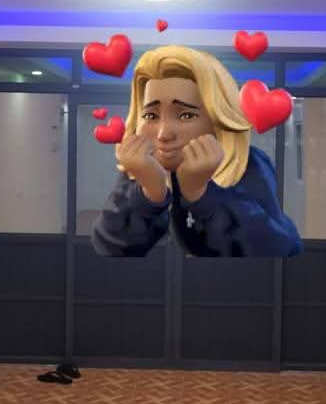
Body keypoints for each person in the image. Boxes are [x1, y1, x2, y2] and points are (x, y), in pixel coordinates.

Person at [91, 45, 303, 258]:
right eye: (151, 116)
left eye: (186, 115)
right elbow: (109, 246)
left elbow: (280, 248)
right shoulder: (141, 168)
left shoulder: (247, 164)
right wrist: (149, 194)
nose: (163, 134)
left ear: (217, 120)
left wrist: (202, 195)